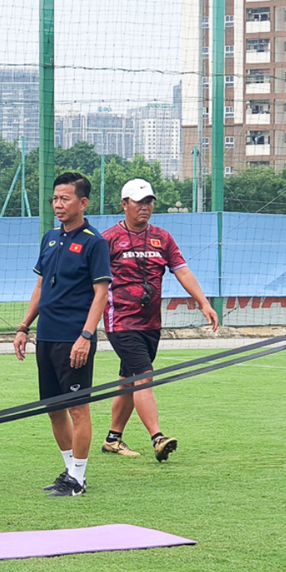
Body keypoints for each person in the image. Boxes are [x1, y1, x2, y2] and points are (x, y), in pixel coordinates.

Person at [100, 179, 218, 460]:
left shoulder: (162, 238)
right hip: (121, 322)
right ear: (124, 204)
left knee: (127, 380)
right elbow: (93, 283)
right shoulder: (108, 240)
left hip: (151, 324)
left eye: (149, 201)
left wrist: (203, 302)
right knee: (144, 377)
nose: (146, 207)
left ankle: (113, 439)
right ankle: (157, 437)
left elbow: (183, 271)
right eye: (139, 202)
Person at [13, 172, 111, 497]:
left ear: (83, 202)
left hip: (75, 340)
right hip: (47, 337)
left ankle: (78, 479)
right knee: (53, 408)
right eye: (55, 198)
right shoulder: (50, 238)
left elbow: (101, 295)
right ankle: (69, 471)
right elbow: (40, 286)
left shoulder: (94, 242)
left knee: (78, 408)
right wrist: (24, 327)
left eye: (65, 198)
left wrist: (86, 335)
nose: (58, 204)